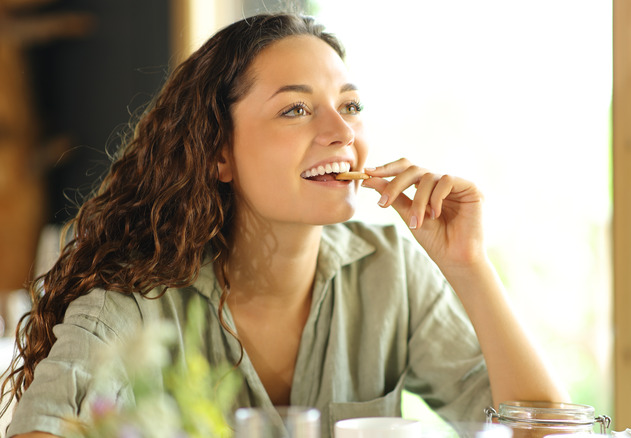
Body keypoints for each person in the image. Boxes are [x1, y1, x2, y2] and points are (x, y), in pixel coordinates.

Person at [1, 13, 570, 438]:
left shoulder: (390, 271)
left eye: (348, 106)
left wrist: (468, 266)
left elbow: (546, 430)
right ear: (217, 152)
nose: (341, 133)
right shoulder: (136, 302)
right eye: (295, 109)